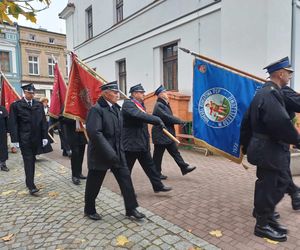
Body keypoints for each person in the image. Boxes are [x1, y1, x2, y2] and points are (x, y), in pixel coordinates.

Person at [240, 57, 300, 242]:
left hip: (266, 148)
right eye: (288, 73)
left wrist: (244, 143)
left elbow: (246, 121)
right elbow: (280, 123)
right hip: (269, 149)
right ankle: (262, 224)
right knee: (270, 186)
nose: (290, 76)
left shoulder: (266, 91)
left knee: (275, 183)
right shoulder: (270, 93)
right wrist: (297, 140)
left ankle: (266, 217)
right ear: (280, 74)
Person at [84, 81, 145, 220]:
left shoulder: (117, 109)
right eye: (115, 92)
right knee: (94, 183)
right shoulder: (96, 109)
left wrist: (120, 150)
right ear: (105, 93)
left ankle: (131, 209)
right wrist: (109, 153)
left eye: (118, 92)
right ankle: (89, 209)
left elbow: (119, 132)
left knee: (126, 180)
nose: (118, 94)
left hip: (117, 153)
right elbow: (95, 133)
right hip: (100, 154)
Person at [121, 83, 172, 193]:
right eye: (141, 92)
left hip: (142, 143)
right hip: (131, 144)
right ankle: (126, 191)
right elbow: (139, 115)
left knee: (150, 167)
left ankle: (158, 186)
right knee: (126, 170)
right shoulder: (128, 104)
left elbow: (144, 119)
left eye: (143, 92)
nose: (143, 94)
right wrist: (157, 120)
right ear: (134, 94)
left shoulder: (140, 104)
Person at [9, 83, 48, 195]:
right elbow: (13, 123)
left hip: (36, 138)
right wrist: (14, 139)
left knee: (33, 160)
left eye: (33, 93)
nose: (31, 95)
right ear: (24, 93)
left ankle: (30, 182)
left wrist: (44, 136)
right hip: (24, 138)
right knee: (28, 161)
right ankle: (31, 185)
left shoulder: (38, 105)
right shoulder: (16, 105)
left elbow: (43, 122)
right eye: (29, 93)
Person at [152, 85, 196, 179]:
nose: (166, 93)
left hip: (167, 134)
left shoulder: (164, 104)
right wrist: (180, 121)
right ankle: (156, 174)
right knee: (158, 156)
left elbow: (168, 117)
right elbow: (167, 117)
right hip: (161, 134)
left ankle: (184, 167)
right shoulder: (158, 105)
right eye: (164, 92)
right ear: (160, 95)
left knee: (175, 152)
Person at [280, 85, 300, 210]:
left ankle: (295, 195)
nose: (289, 76)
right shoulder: (282, 91)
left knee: (281, 171)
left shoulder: (263, 91)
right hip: (277, 142)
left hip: (280, 142)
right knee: (279, 173)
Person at [60, 116, 87, 185]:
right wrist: (74, 117)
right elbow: (62, 118)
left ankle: (79, 173)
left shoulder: (82, 105)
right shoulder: (68, 105)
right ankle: (74, 175)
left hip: (82, 132)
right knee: (75, 154)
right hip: (72, 133)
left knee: (81, 153)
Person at [0, 104, 9, 172]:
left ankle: (3, 164)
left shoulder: (3, 109)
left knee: (3, 148)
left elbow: (7, 121)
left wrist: (8, 131)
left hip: (2, 133)